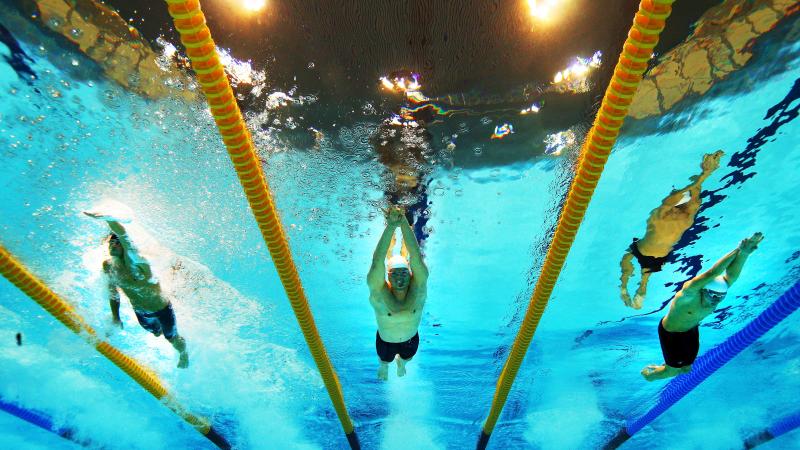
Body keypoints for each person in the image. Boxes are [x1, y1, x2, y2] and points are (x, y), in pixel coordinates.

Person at [641, 232, 763, 381]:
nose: (716, 301)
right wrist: (738, 249)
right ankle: (649, 375)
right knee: (673, 372)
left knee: (687, 368)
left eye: (720, 297)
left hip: (691, 329)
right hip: (671, 334)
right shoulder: (688, 294)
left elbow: (731, 276)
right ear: (704, 290)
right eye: (713, 296)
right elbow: (713, 272)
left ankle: (670, 364)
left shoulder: (717, 291)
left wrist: (744, 254)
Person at [620, 150, 725, 309]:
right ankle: (627, 289)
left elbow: (690, 196)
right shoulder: (673, 216)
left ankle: (630, 289)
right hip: (651, 252)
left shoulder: (675, 215)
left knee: (637, 271)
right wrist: (705, 173)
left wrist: (703, 175)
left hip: (652, 252)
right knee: (637, 272)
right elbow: (687, 197)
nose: (697, 201)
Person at [84, 211, 189, 368]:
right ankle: (158, 330)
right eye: (110, 242)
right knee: (156, 333)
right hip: (141, 313)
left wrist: (108, 218)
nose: (113, 244)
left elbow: (125, 237)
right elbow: (113, 293)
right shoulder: (109, 266)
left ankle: (183, 354)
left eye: (117, 242)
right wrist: (116, 317)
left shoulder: (139, 264)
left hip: (162, 310)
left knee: (172, 338)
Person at [367, 207, 429, 380]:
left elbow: (416, 256)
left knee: (407, 358)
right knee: (384, 360)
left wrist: (403, 224)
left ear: (410, 274)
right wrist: (391, 226)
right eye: (395, 274)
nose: (400, 278)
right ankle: (384, 366)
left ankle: (402, 363)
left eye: (403, 273)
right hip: (385, 342)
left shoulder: (419, 289)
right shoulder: (379, 293)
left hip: (410, 339)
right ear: (387, 275)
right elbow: (377, 261)